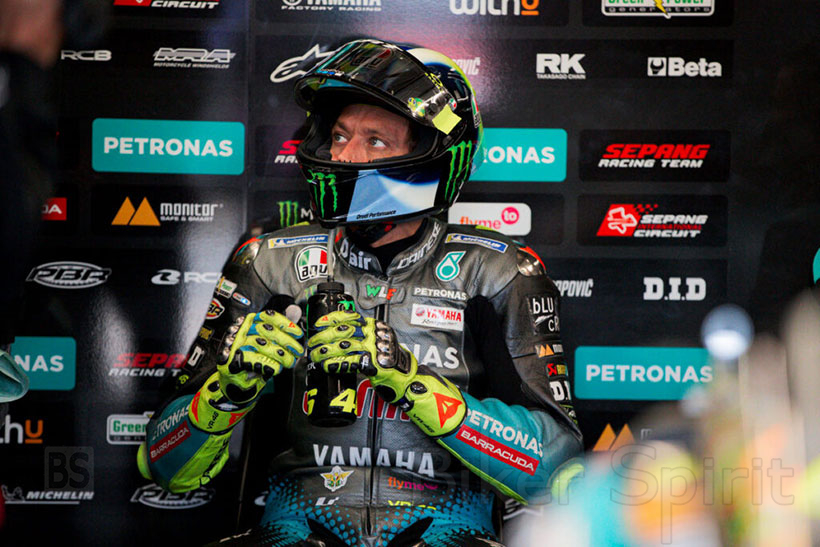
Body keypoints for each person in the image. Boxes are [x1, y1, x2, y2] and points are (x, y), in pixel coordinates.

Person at [137, 38, 583, 546]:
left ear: (433, 156)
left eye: (375, 141)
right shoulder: (269, 262)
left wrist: (410, 380)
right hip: (294, 528)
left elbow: (557, 469)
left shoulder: (498, 270)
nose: (344, 155)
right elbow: (163, 466)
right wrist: (225, 392)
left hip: (448, 527)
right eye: (339, 135)